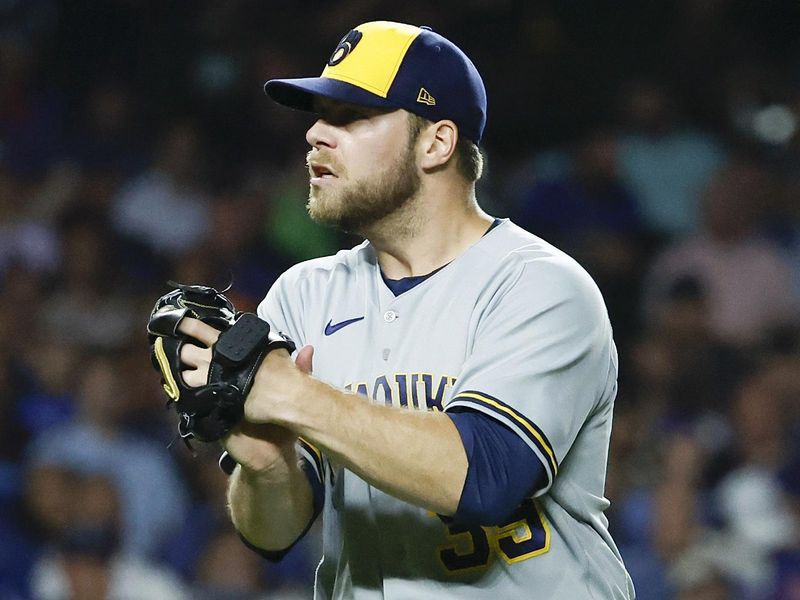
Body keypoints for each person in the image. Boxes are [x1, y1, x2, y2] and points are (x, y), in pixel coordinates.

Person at [176, 21, 634, 599]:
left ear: (436, 143)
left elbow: (485, 476)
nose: (316, 132)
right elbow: (273, 533)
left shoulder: (538, 286)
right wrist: (267, 466)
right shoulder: (304, 294)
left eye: (350, 115)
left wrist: (289, 396)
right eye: (317, 114)